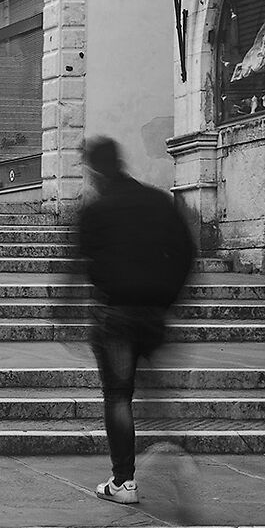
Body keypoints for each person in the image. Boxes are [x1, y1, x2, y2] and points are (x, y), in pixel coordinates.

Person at [72, 136, 198, 506]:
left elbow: (76, 267)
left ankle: (124, 481)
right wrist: (168, 298)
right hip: (154, 314)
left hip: (115, 315)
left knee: (118, 395)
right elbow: (187, 253)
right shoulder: (158, 202)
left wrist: (65, 311)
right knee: (156, 392)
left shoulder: (95, 211)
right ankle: (174, 451)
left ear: (96, 170)